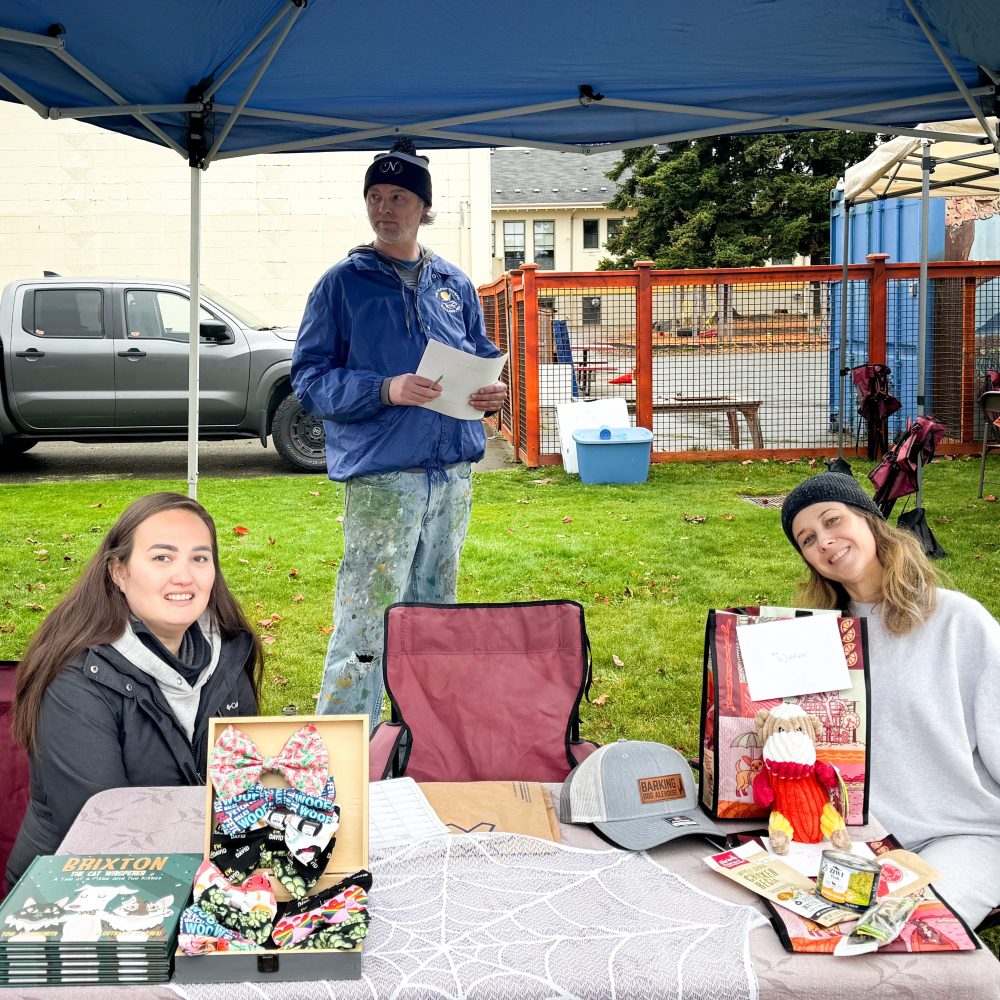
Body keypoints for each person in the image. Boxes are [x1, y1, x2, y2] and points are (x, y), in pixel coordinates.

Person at [291, 138, 506, 725]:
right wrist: (385, 389)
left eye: (399, 198)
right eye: (375, 197)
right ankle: (344, 743)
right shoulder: (342, 285)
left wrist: (491, 394)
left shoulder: (454, 284)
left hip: (452, 478)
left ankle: (424, 733)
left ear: (423, 208)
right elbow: (308, 378)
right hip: (384, 480)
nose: (385, 209)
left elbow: (480, 356)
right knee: (366, 616)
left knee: (435, 614)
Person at [6, 493, 263, 888]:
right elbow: (108, 834)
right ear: (118, 572)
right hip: (78, 893)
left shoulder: (226, 655)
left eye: (199, 557)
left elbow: (245, 782)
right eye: (162, 557)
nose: (184, 576)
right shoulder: (75, 680)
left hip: (201, 877)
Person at [780, 471, 1000, 927]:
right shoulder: (813, 640)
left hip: (963, 832)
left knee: (899, 931)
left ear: (870, 520)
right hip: (855, 837)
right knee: (802, 926)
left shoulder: (959, 620)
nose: (825, 541)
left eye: (833, 520)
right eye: (807, 539)